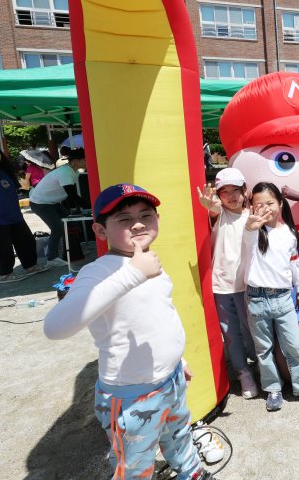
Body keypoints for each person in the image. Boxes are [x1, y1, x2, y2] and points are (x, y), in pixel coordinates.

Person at [43, 183, 216, 480]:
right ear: (100, 231)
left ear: (158, 220)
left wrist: (179, 360)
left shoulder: (150, 262)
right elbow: (55, 328)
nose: (138, 223)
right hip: (131, 395)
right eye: (123, 219)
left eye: (146, 215)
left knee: (179, 436)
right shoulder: (99, 272)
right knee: (135, 464)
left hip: (170, 380)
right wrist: (133, 273)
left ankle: (192, 473)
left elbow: (161, 316)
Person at [243, 182, 299, 411]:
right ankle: (272, 389)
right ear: (251, 207)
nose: (265, 208)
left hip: (283, 298)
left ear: (280, 203)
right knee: (264, 348)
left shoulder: (288, 233)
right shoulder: (249, 229)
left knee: (294, 344)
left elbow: (294, 263)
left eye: (270, 203)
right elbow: (248, 237)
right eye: (258, 204)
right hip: (257, 299)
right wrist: (251, 225)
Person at [197, 167, 259, 400]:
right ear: (219, 195)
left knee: (251, 329)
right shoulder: (220, 213)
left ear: (245, 191)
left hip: (248, 283)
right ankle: (243, 372)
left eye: (236, 190)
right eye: (225, 192)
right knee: (231, 332)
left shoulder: (251, 215)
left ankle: (261, 366)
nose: (231, 196)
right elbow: (212, 209)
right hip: (222, 285)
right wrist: (209, 203)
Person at [0, 144, 47, 283]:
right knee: (3, 247)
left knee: (26, 241)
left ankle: (31, 266)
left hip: (14, 216)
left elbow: (18, 189)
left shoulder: (5, 172)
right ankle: (5, 274)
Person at [28, 148, 88, 267]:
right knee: (58, 228)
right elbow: (71, 194)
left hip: (53, 203)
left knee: (68, 223)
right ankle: (52, 258)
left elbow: (68, 195)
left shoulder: (73, 171)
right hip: (41, 203)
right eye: (84, 160)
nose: (87, 162)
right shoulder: (65, 172)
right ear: (75, 161)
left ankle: (71, 253)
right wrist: (88, 206)